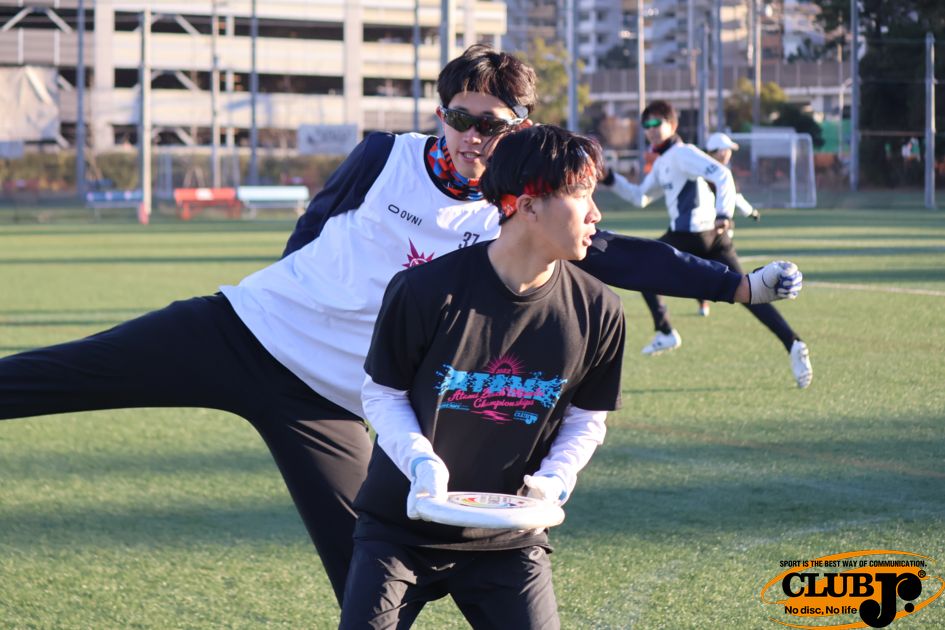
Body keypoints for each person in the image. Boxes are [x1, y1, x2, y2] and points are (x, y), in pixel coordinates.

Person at [0, 47, 803, 607]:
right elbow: (314, 224)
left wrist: (734, 284)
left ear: (521, 128)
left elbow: (617, 252)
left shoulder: (516, 211)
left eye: (491, 124)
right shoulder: (383, 153)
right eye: (458, 117)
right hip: (241, 330)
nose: (470, 135)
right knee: (57, 374)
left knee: (375, 574)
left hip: (330, 403)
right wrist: (301, 290)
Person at [339, 125, 624, 629]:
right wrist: (422, 465)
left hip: (509, 533)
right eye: (581, 194)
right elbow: (382, 393)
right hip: (400, 526)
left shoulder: (599, 309)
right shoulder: (425, 290)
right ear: (528, 206)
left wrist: (555, 479)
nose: (595, 213)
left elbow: (587, 417)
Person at [599, 101, 812, 389]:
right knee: (749, 292)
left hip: (696, 235)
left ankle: (665, 331)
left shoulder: (683, 152)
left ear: (673, 125)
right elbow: (640, 197)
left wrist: (724, 213)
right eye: (646, 124)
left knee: (643, 265)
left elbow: (722, 174)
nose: (650, 129)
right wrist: (610, 178)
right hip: (706, 237)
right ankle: (793, 343)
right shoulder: (663, 161)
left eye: (657, 123)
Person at [696, 131, 760, 317]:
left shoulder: (723, 173)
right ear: (719, 151)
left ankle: (715, 297)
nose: (728, 154)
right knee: (704, 268)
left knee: (710, 268)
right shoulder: (701, 171)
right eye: (726, 150)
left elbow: (735, 197)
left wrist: (750, 212)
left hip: (720, 230)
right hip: (702, 230)